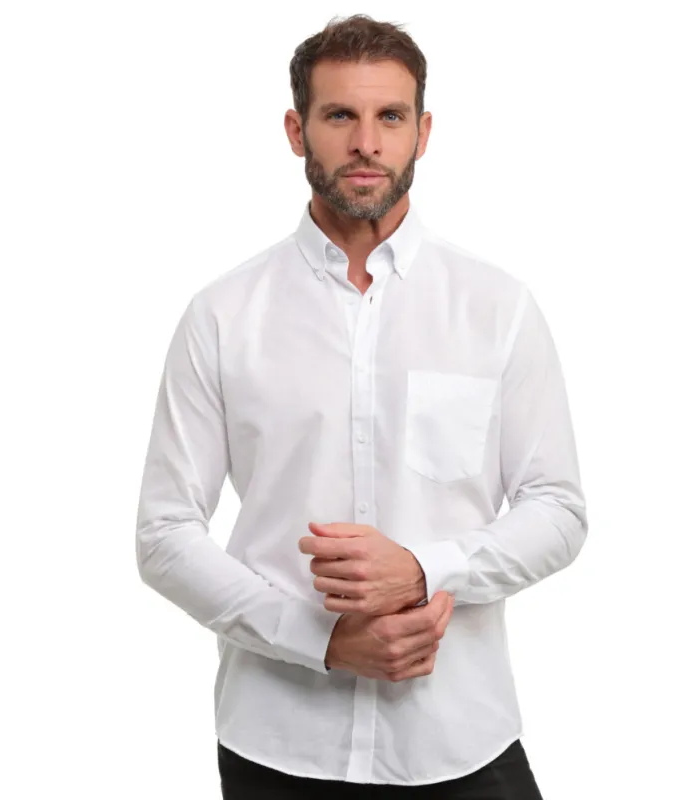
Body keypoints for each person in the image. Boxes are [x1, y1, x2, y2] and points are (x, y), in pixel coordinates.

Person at [135, 13, 588, 799]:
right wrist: (320, 641)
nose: (367, 143)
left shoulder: (497, 308)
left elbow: (557, 509)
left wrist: (422, 570)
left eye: (391, 117)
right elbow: (165, 533)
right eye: (340, 115)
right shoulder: (223, 315)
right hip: (279, 743)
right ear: (296, 130)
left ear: (423, 132)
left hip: (460, 736)